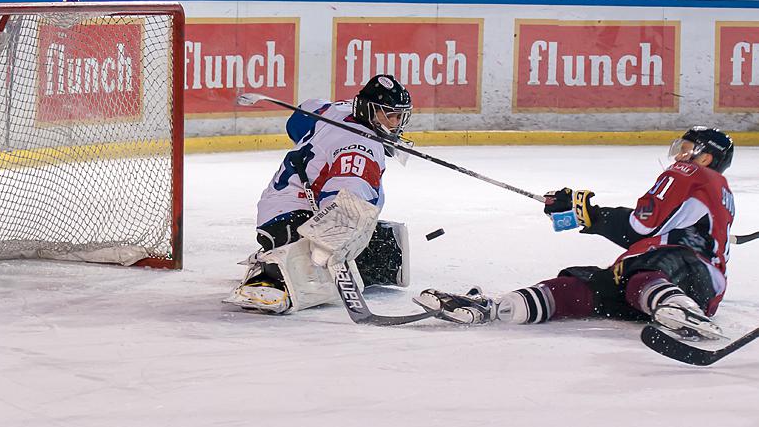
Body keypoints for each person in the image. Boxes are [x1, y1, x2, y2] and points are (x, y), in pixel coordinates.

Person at [416, 127, 735, 340]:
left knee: (641, 272)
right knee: (581, 286)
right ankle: (496, 307)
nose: (679, 155)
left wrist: (588, 213)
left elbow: (640, 225)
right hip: (670, 285)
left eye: (688, 149)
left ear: (705, 157)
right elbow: (640, 235)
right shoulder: (715, 191)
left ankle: (681, 311)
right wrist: (583, 215)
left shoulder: (690, 173)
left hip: (682, 275)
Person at [225, 74, 414, 314]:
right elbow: (345, 204)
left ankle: (286, 258)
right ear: (369, 110)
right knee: (321, 271)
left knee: (383, 250)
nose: (396, 123)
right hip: (292, 219)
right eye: (390, 115)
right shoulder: (361, 148)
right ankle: (269, 272)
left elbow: (299, 118)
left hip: (278, 209)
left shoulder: (338, 110)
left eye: (399, 116)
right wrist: (327, 244)